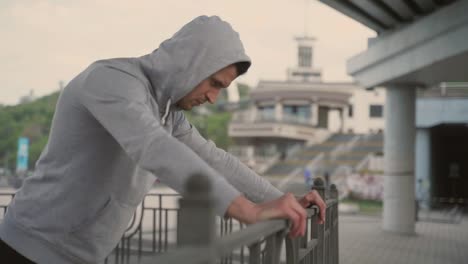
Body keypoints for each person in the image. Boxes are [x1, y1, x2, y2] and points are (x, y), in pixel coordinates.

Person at [0, 16, 326, 263]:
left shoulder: (167, 114)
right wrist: (248, 211)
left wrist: (282, 198)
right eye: (212, 83)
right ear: (188, 63)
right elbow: (154, 147)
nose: (213, 98)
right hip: (24, 247)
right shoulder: (111, 80)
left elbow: (215, 160)